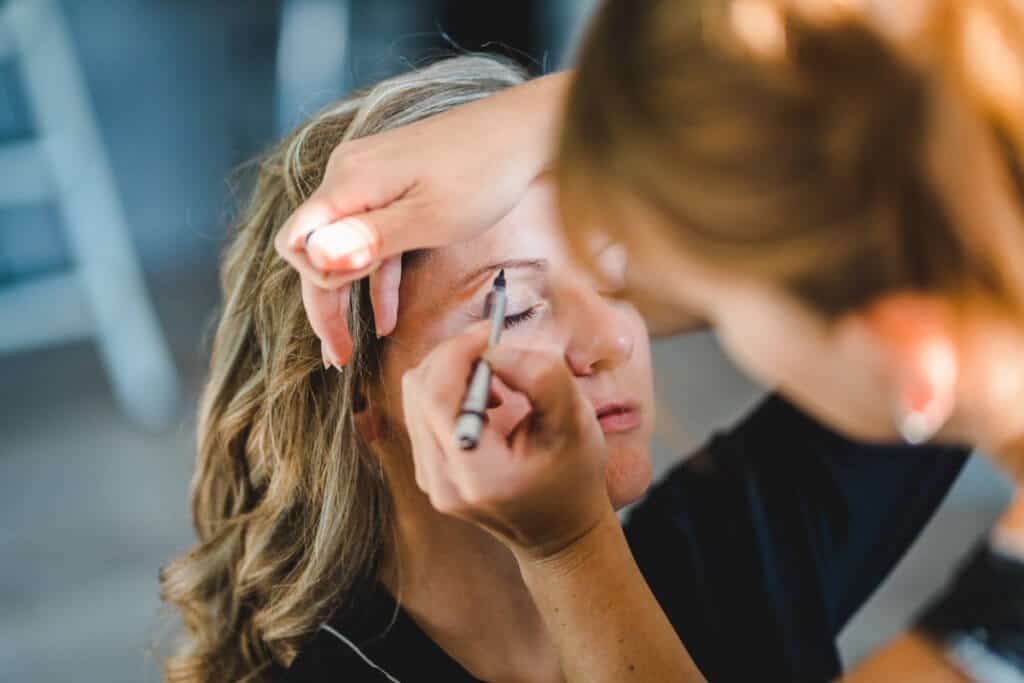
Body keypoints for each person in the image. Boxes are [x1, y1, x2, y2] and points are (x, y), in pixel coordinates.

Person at [274, 1, 1024, 680]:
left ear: (917, 372)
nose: (620, 339)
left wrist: (569, 550)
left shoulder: (740, 560)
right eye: (522, 305)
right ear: (357, 394)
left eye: (618, 277)